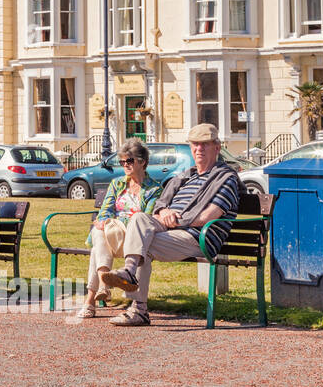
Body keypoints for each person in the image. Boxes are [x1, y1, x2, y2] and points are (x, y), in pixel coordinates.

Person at [101, 123, 241, 327]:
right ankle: (130, 271)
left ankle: (138, 308)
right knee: (140, 218)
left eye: (205, 144)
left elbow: (207, 217)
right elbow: (162, 204)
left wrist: (176, 219)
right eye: (195, 144)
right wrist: (164, 212)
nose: (198, 149)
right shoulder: (186, 176)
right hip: (170, 228)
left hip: (197, 237)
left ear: (217, 148)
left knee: (143, 245)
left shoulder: (225, 180)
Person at [73, 139, 162, 319]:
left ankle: (92, 299)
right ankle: (104, 282)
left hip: (135, 241)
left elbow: (146, 219)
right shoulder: (117, 184)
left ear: (142, 162)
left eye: (129, 161)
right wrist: (105, 221)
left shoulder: (154, 189)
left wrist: (113, 223)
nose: (125, 165)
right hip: (112, 236)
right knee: (98, 232)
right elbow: (105, 210)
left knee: (98, 239)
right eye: (122, 162)